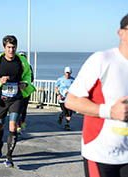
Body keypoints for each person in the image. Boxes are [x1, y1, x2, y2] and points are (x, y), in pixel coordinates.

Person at [65, 14, 128, 177]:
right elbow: (71, 101)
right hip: (101, 154)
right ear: (121, 33)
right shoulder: (102, 60)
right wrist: (111, 112)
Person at [0, 35, 36, 168]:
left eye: (13, 47)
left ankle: (9, 157)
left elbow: (28, 76)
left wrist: (25, 83)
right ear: (4, 48)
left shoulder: (21, 61)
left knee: (13, 127)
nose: (11, 50)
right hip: (1, 100)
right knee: (0, 125)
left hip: (16, 99)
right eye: (9, 47)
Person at [16, 51, 34, 134]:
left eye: (23, 57)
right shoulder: (15, 66)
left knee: (23, 109)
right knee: (18, 108)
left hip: (25, 91)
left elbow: (32, 78)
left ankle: (21, 124)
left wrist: (25, 83)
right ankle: (18, 125)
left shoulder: (29, 67)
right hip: (17, 90)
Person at [55, 66, 75, 131]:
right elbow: (56, 87)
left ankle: (67, 125)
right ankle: (60, 117)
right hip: (62, 99)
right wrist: (58, 94)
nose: (67, 74)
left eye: (69, 73)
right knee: (64, 112)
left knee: (69, 113)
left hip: (70, 99)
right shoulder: (60, 79)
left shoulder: (73, 80)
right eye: (66, 73)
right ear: (64, 72)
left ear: (71, 73)